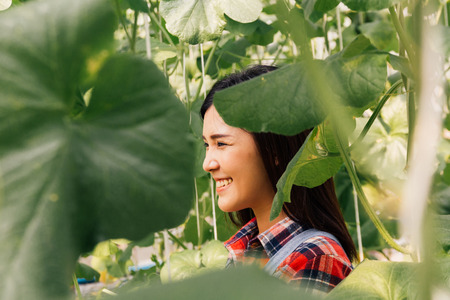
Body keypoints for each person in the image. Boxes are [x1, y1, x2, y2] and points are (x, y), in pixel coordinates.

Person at [201, 65, 357, 294]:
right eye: (207, 145)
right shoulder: (241, 250)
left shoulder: (315, 258)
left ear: (274, 149)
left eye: (221, 144)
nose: (207, 163)